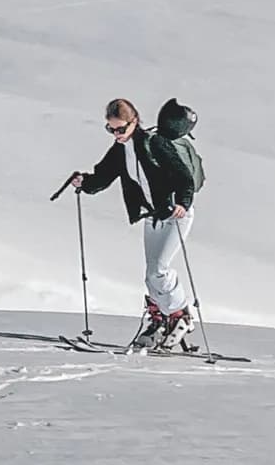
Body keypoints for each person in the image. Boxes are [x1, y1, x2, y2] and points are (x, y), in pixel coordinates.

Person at [63, 97, 200, 351]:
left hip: (176, 215)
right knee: (151, 274)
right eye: (110, 129)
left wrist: (183, 201)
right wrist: (85, 182)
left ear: (134, 122)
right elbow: (103, 176)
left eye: (120, 128)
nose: (116, 134)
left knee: (159, 269)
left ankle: (181, 315)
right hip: (152, 216)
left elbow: (183, 176)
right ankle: (161, 318)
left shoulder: (154, 143)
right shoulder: (119, 151)